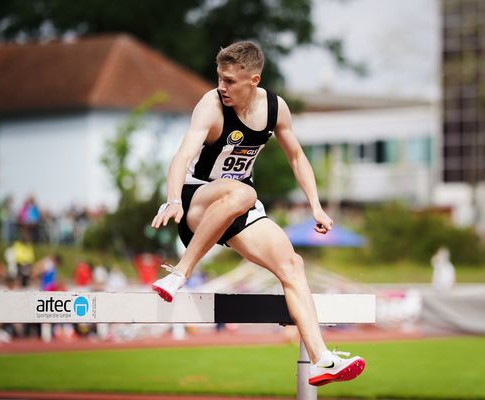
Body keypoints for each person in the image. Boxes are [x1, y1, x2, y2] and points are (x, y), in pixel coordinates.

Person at [150, 41, 365, 386]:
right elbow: (182, 155)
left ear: (254, 79)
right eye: (219, 78)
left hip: (239, 208)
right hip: (199, 203)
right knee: (243, 190)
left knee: (292, 265)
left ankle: (321, 358)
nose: (222, 87)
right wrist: (173, 198)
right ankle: (179, 273)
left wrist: (316, 206)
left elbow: (296, 157)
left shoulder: (276, 109)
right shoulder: (211, 105)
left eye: (230, 81)